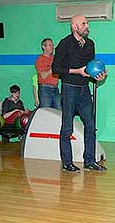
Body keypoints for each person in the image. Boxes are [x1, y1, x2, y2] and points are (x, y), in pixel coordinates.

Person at [52, 15, 107, 173]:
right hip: (69, 88)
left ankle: (89, 161)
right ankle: (67, 163)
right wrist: (77, 71)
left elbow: (89, 69)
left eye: (87, 23)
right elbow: (56, 69)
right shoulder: (64, 44)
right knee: (67, 127)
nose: (87, 26)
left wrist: (98, 76)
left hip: (84, 89)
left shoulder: (90, 44)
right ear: (74, 27)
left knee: (90, 126)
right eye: (83, 23)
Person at [35, 38, 61, 110]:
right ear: (43, 47)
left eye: (53, 45)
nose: (52, 47)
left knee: (59, 112)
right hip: (45, 89)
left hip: (56, 89)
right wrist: (54, 68)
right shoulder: (39, 60)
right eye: (50, 45)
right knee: (45, 112)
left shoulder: (55, 58)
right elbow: (43, 76)